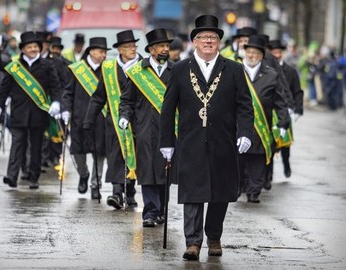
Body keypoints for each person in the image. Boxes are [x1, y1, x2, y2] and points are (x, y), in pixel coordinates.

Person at [159, 15, 254, 260]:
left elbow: (245, 105)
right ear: (195, 42)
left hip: (223, 141)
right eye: (203, 37)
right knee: (192, 192)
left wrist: (245, 133)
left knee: (220, 194)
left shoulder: (233, 68)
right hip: (190, 142)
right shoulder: (180, 69)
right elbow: (167, 109)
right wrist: (166, 142)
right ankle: (192, 242)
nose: (208, 41)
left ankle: (213, 238)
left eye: (213, 37)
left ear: (219, 42)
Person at [0, 31, 61, 189]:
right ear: (23, 49)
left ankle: (33, 177)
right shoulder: (15, 66)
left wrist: (56, 103)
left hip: (38, 113)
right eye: (29, 47)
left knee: (36, 147)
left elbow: (55, 87)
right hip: (19, 112)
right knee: (17, 144)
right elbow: (4, 88)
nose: (33, 49)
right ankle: (12, 176)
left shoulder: (47, 65)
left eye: (35, 46)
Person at [119, 28, 174, 227]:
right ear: (151, 49)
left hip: (169, 130)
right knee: (147, 171)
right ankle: (150, 212)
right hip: (144, 130)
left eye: (167, 46)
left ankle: (161, 210)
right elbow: (126, 100)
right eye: (161, 46)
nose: (166, 49)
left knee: (164, 172)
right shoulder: (136, 73)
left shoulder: (177, 70)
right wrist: (124, 116)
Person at [84, 30, 141, 207]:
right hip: (114, 121)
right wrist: (89, 119)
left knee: (133, 156)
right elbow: (99, 96)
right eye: (128, 47)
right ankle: (117, 193)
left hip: (138, 121)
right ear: (120, 50)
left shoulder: (142, 65)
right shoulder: (108, 68)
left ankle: (130, 191)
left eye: (134, 46)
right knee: (115, 156)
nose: (132, 49)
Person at [240, 35, 289, 203]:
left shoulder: (271, 75)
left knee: (258, 160)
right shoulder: (234, 71)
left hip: (262, 128)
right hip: (238, 127)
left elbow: (280, 102)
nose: (251, 56)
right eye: (249, 52)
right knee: (239, 160)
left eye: (255, 53)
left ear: (261, 56)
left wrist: (283, 122)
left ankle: (254, 191)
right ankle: (241, 186)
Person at [62, 37, 109, 199]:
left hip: (101, 119)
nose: (104, 55)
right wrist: (66, 110)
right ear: (91, 51)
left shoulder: (108, 70)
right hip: (79, 119)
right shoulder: (76, 69)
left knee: (100, 154)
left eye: (105, 52)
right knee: (77, 151)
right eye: (101, 52)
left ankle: (96, 185)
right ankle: (83, 174)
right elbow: (68, 93)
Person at [268, 39, 304, 178]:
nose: (276, 54)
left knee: (285, 142)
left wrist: (298, 109)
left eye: (279, 52)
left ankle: (286, 164)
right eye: (274, 52)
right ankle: (268, 173)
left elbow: (297, 91)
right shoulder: (266, 70)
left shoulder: (291, 71)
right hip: (270, 110)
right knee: (270, 142)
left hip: (285, 110)